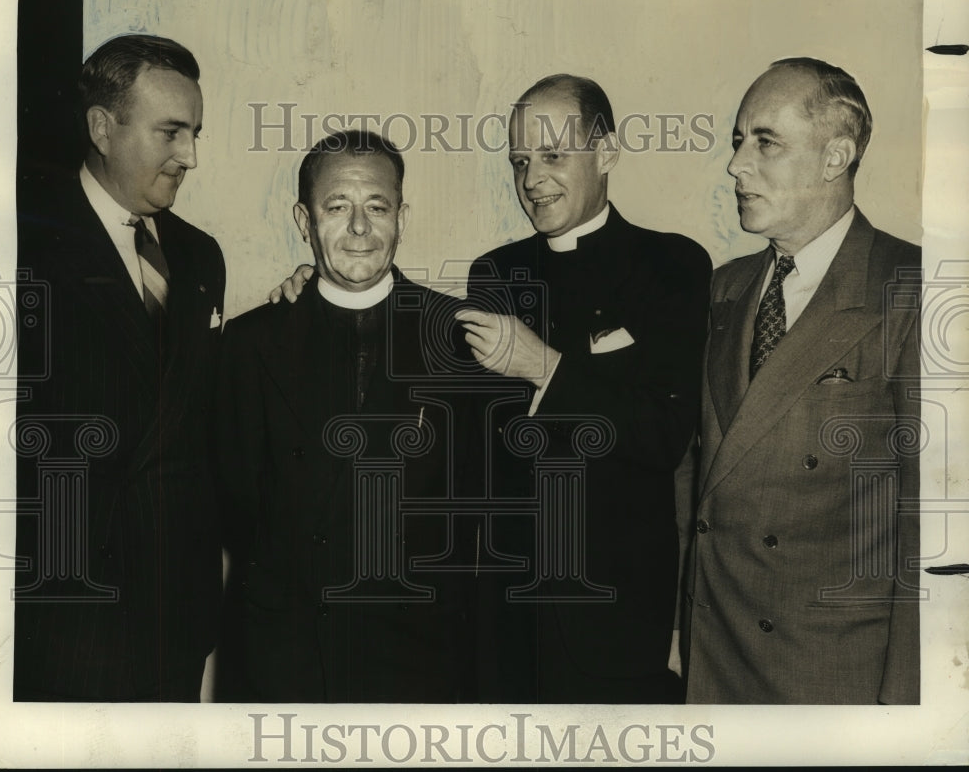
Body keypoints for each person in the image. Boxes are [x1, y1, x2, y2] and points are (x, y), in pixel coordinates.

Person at [457, 74, 712, 702]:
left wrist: (548, 368)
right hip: (504, 614)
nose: (531, 179)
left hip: (617, 616)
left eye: (552, 155)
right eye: (520, 161)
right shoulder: (495, 271)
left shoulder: (673, 265)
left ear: (607, 151)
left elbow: (662, 434)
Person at [681, 58, 921, 704]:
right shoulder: (727, 287)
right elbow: (695, 474)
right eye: (738, 140)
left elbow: (927, 528)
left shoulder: (913, 289)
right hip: (715, 658)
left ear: (834, 156)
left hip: (831, 677)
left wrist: (906, 712)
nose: (736, 164)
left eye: (766, 142)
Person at [213, 130, 474, 702]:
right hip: (285, 656)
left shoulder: (459, 337)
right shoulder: (250, 341)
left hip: (419, 658)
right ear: (304, 221)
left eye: (377, 207)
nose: (359, 228)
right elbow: (236, 506)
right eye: (337, 207)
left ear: (402, 217)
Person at [15, 34, 225, 701]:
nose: (188, 155)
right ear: (102, 128)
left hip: (177, 611)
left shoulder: (199, 256)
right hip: (68, 611)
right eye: (170, 132)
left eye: (193, 132)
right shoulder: (21, 242)